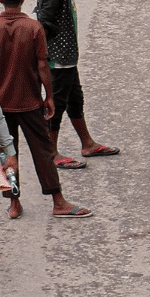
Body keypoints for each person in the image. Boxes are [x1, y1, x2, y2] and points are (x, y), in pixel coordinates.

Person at [0, 0, 89, 219]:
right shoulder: (33, 28)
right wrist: (49, 96)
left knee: (8, 153)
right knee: (43, 150)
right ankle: (58, 202)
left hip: (2, 105)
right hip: (30, 101)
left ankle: (14, 203)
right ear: (23, 1)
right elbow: (42, 64)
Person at [36, 0, 117, 170]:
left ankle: (87, 143)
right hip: (58, 57)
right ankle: (51, 153)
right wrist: (43, 54)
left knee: (75, 99)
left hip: (66, 56)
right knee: (56, 104)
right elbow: (44, 21)